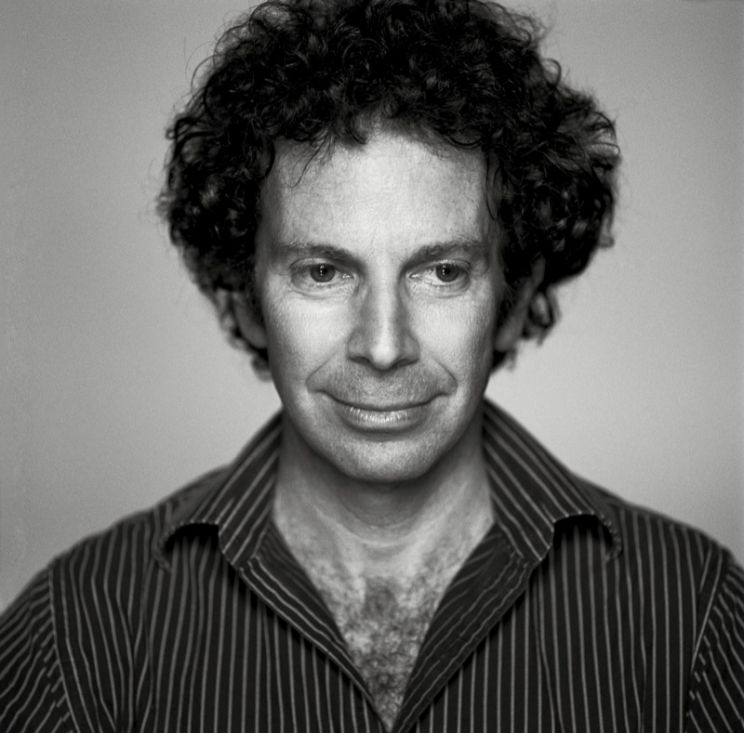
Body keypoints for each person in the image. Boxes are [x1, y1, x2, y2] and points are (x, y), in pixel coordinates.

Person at [1, 0, 743, 730]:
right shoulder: (78, 634)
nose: (384, 346)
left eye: (442, 272)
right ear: (244, 301)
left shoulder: (694, 621)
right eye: (323, 272)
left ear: (514, 299)